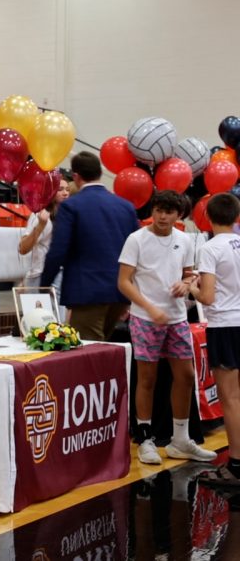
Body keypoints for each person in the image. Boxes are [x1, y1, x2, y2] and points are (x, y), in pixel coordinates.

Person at [118, 189, 215, 465]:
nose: (162, 216)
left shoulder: (184, 240)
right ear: (152, 211)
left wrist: (187, 284)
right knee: (147, 378)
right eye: (158, 210)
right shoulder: (136, 239)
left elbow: (188, 276)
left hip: (177, 318)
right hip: (145, 318)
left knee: (185, 376)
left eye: (168, 212)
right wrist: (148, 308)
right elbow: (123, 281)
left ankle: (180, 439)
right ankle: (145, 439)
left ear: (178, 215)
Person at [41, 151, 139, 340]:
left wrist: (44, 285)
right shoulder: (125, 207)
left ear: (76, 177)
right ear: (99, 172)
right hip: (120, 291)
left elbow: (58, 250)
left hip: (87, 292)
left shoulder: (72, 206)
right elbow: (138, 251)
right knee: (106, 349)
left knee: (89, 354)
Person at [190, 193, 240, 485]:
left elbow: (207, 296)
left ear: (207, 216)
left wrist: (192, 287)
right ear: (236, 216)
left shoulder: (210, 249)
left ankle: (235, 464)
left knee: (230, 399)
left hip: (224, 325)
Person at [18, 175, 71, 290]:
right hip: (40, 275)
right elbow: (23, 248)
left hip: (64, 273)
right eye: (60, 189)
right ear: (50, 192)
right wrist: (41, 225)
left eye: (67, 189)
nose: (65, 193)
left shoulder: (69, 216)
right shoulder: (39, 215)